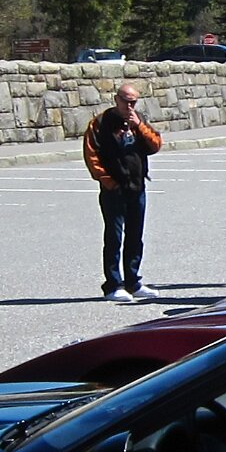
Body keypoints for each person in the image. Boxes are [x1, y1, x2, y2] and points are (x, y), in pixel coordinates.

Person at [82, 79, 163, 301]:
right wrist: (108, 181)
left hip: (137, 188)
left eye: (133, 102)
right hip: (113, 191)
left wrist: (139, 126)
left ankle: (133, 282)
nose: (129, 106)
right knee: (114, 237)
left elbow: (155, 145)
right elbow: (91, 155)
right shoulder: (100, 123)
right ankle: (113, 285)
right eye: (126, 101)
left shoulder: (138, 121)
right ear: (116, 99)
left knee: (135, 236)